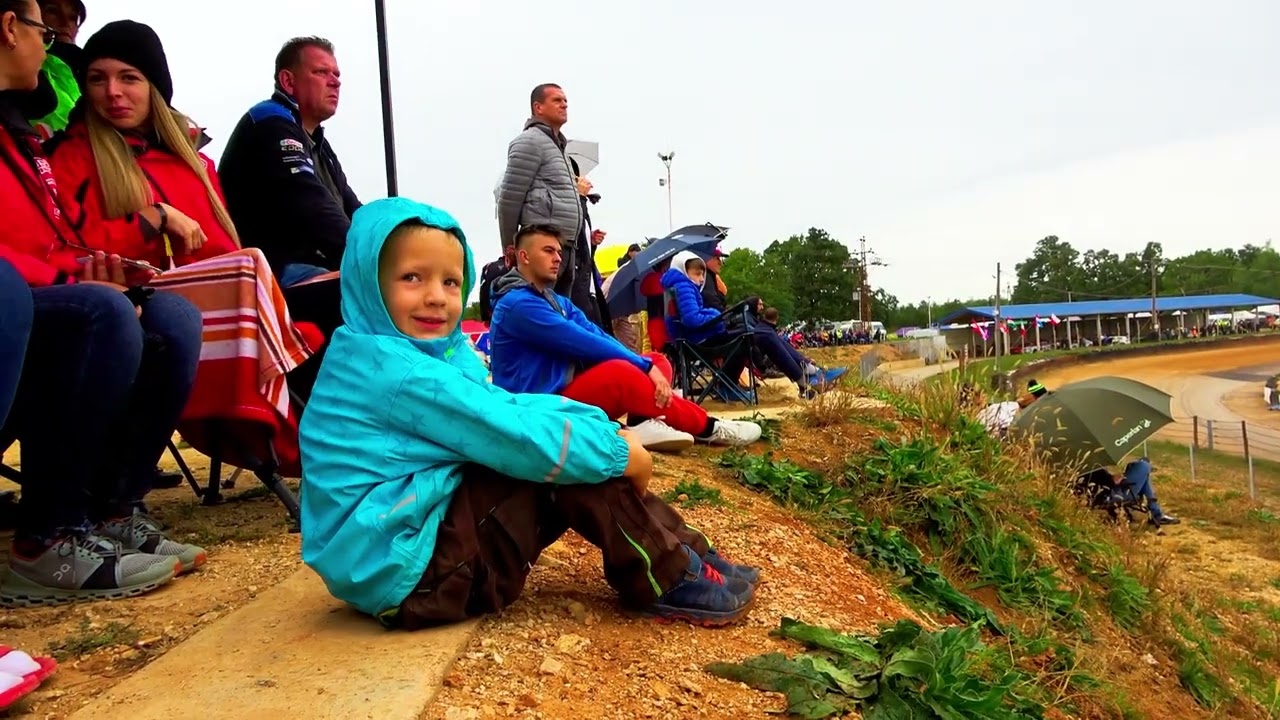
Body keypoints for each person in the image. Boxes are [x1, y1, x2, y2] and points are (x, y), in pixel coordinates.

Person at [298, 197, 758, 629]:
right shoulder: (398, 370)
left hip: (393, 556)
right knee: (561, 462)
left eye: (450, 282)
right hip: (414, 579)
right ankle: (671, 573)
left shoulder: (396, 350)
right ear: (367, 282)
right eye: (412, 278)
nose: (436, 297)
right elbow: (512, 431)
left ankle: (693, 556)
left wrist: (599, 431)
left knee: (568, 442)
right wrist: (619, 454)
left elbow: (502, 404)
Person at [0, 0, 205, 605]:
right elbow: (26, 251)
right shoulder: (64, 152)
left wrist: (97, 272)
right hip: (24, 302)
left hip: (43, 290)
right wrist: (90, 271)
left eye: (129, 78)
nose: (55, 41)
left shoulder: (21, 136)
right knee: (103, 313)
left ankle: (113, 511)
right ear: (11, 27)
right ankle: (46, 534)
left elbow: (56, 241)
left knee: (172, 315)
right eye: (45, 29)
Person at [488, 225, 761, 452]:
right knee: (625, 372)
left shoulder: (554, 299)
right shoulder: (517, 305)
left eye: (559, 252)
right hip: (540, 407)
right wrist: (641, 367)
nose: (558, 258)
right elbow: (581, 341)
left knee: (657, 360)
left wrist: (645, 364)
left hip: (564, 391)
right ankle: (708, 428)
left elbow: (595, 333)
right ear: (523, 256)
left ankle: (642, 423)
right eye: (548, 251)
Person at [47, 20, 238, 271]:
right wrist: (154, 218)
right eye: (97, 79)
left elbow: (227, 254)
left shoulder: (196, 162)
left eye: (129, 77)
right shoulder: (71, 157)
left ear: (154, 87)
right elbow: (61, 246)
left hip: (216, 298)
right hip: (134, 302)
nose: (112, 91)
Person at [218, 35, 359, 285]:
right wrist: (369, 258)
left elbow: (353, 209)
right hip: (271, 269)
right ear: (288, 81)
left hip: (312, 265)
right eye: (321, 72)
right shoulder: (269, 122)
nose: (335, 82)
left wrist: (396, 237)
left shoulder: (318, 144)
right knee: (376, 296)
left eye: (337, 75)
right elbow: (312, 205)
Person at [662, 253, 819, 398]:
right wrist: (715, 315)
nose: (702, 279)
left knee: (758, 333)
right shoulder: (684, 287)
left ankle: (804, 374)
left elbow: (692, 316)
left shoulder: (681, 286)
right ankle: (804, 374)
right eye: (697, 274)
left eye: (702, 274)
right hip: (698, 341)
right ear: (683, 270)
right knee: (756, 335)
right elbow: (692, 319)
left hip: (696, 339)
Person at [495, 83, 581, 297]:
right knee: (541, 307)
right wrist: (510, 245)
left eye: (566, 101)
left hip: (565, 246)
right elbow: (509, 198)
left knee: (559, 314)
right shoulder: (530, 142)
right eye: (557, 100)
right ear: (538, 107)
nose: (564, 105)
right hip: (542, 245)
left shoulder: (558, 147)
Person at [1117, 457, 1179, 526]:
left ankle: (1156, 512)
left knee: (1137, 467)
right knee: (1143, 465)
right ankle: (1156, 513)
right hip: (1122, 493)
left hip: (1121, 490)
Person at [701, 247, 728, 313]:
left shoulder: (711, 276)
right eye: (717, 258)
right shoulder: (705, 277)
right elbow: (712, 303)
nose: (720, 263)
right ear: (706, 258)